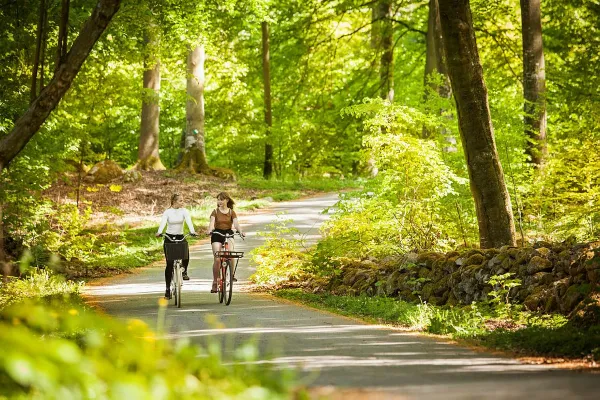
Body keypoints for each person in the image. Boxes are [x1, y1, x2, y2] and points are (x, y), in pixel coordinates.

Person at [156, 193, 196, 299]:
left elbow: (188, 221)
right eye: (180, 201)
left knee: (186, 254)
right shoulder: (167, 212)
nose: (182, 203)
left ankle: (184, 271)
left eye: (183, 200)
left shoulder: (184, 211)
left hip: (180, 236)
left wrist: (192, 231)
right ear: (174, 202)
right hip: (169, 238)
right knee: (169, 263)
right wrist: (159, 232)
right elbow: (163, 223)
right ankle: (168, 289)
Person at [207, 192, 245, 293]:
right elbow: (211, 223)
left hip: (228, 233)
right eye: (218, 199)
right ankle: (215, 282)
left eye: (221, 199)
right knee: (217, 258)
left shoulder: (232, 212)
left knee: (230, 254)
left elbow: (236, 224)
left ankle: (231, 275)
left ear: (227, 200)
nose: (219, 201)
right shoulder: (215, 211)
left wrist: (241, 232)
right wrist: (210, 230)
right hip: (217, 233)